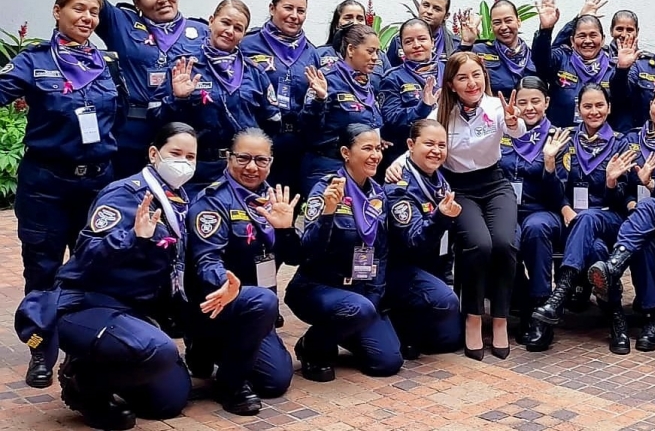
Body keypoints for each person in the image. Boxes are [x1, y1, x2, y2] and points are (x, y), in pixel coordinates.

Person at [0, 0, 118, 388]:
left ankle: (82, 348)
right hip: (46, 186)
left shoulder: (109, 64)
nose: (87, 18)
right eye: (79, 9)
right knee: (44, 272)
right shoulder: (32, 62)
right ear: (57, 11)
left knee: (93, 269)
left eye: (94, 12)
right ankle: (40, 349)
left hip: (97, 185)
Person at [45, 123, 198, 430]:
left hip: (137, 310)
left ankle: (115, 364)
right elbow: (86, 254)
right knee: (158, 351)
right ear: (154, 154)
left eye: (191, 156)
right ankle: (83, 382)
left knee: (169, 401)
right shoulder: (125, 195)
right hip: (89, 304)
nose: (183, 162)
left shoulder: (178, 198)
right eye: (176, 153)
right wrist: (132, 238)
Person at [387, 51, 524, 360]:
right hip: (458, 189)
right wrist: (396, 165)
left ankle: (499, 319)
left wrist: (514, 121)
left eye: (476, 75)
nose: (471, 82)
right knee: (479, 245)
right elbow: (420, 143)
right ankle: (473, 317)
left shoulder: (495, 106)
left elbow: (518, 131)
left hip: (495, 184)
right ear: (451, 84)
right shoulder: (440, 113)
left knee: (504, 243)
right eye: (463, 77)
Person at [33, 0, 210, 177]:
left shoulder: (201, 32)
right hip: (131, 133)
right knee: (124, 198)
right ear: (137, 3)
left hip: (178, 131)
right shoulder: (121, 23)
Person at [185, 128, 297, 414]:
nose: (251, 167)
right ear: (228, 158)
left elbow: (296, 256)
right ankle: (229, 383)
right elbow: (206, 260)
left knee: (276, 381)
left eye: (261, 160)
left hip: (258, 311)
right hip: (220, 303)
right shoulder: (212, 201)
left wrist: (285, 230)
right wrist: (225, 284)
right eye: (243, 158)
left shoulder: (274, 199)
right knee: (262, 301)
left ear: (271, 162)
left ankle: (210, 350)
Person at [288, 124, 401, 382]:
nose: (375, 155)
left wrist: (374, 295)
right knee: (357, 311)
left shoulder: (378, 195)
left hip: (360, 292)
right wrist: (328, 213)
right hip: (319, 287)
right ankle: (311, 347)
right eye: (367, 148)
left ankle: (344, 330)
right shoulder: (326, 189)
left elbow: (381, 253)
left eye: (378, 148)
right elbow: (307, 249)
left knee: (388, 361)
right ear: (345, 153)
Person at [587, 84, 655, 352]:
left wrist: (653, 185)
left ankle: (614, 265)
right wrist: (622, 193)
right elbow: (619, 190)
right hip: (633, 222)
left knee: (649, 210)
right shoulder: (630, 140)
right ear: (649, 106)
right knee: (642, 240)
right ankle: (652, 317)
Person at [530, 84, 635, 354]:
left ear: (609, 108)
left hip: (609, 218)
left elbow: (622, 199)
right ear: (578, 110)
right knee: (597, 251)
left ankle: (560, 294)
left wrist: (612, 182)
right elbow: (555, 189)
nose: (594, 111)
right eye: (587, 106)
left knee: (588, 218)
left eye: (599, 105)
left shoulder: (621, 143)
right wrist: (551, 167)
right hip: (574, 222)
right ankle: (616, 319)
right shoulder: (566, 139)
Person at [156, 0, 281, 197]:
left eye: (238, 28)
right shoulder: (184, 68)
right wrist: (178, 99)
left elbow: (272, 123)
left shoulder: (255, 73)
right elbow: (158, 122)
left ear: (244, 34)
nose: (230, 31)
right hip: (196, 171)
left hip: (242, 171)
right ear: (211, 21)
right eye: (225, 22)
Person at [384, 119, 465, 360]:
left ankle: (413, 327)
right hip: (401, 270)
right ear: (410, 144)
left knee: (451, 340)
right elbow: (413, 241)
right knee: (446, 305)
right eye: (428, 144)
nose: (436, 151)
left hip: (432, 269)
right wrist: (440, 216)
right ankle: (396, 324)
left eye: (442, 145)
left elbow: (446, 242)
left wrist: (447, 278)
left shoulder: (440, 181)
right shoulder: (399, 185)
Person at [498, 77, 567, 352]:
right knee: (501, 240)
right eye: (523, 101)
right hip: (505, 209)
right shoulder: (501, 133)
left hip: (543, 210)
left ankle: (541, 314)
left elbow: (559, 193)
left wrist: (549, 163)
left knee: (535, 230)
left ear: (547, 103)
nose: (529, 107)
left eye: (535, 101)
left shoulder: (558, 137)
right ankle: (524, 300)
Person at [241, 0, 321, 193]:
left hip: (296, 144)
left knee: (287, 209)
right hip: (258, 140)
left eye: (300, 11)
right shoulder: (248, 45)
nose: (294, 16)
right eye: (288, 8)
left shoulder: (311, 53)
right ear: (272, 8)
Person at [300, 24, 384, 195]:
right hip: (328, 167)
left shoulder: (367, 83)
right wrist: (319, 99)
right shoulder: (327, 79)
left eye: (377, 52)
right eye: (370, 51)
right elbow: (308, 127)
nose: (375, 57)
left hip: (359, 170)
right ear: (351, 50)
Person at [533, 0, 617, 127]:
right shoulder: (562, 58)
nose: (587, 41)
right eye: (582, 36)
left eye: (593, 35)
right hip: (560, 139)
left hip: (599, 143)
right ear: (572, 41)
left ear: (603, 40)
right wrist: (545, 31)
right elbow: (541, 61)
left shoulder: (613, 68)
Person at [379, 18, 445, 164]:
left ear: (432, 42)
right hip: (406, 155)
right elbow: (391, 118)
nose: (416, 45)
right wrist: (423, 108)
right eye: (408, 41)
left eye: (422, 39)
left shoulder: (448, 71)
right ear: (401, 47)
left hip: (447, 153)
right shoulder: (393, 78)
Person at [384, 0, 474, 66]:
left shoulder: (455, 44)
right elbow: (389, 73)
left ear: (446, 16)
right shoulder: (399, 41)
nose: (429, 11)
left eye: (437, 9)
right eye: (426, 5)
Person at [316, 0, 390, 91]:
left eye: (360, 19)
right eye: (348, 18)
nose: (355, 23)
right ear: (336, 24)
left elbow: (389, 89)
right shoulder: (319, 54)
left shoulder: (379, 56)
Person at [472, 0, 537, 98]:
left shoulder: (535, 56)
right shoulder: (478, 52)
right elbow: (454, 73)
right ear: (491, 26)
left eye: (508, 20)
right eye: (497, 23)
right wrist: (466, 43)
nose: (503, 27)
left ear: (518, 22)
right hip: (494, 112)